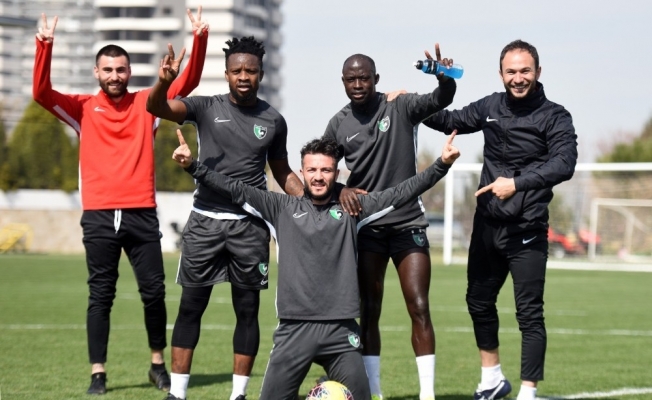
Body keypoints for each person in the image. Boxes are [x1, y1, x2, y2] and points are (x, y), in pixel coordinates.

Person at [171, 130, 461, 400]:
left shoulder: (352, 209)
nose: (318, 177)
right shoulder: (280, 208)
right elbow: (233, 188)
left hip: (341, 332)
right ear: (302, 172)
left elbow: (401, 192)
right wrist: (193, 166)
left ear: (336, 173)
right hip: (293, 331)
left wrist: (442, 164)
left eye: (326, 170)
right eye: (312, 170)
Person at [32, 9, 209, 395]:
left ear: (130, 72)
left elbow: (188, 82)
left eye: (121, 69)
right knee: (101, 295)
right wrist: (44, 45)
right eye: (108, 70)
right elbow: (41, 94)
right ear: (97, 72)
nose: (115, 75)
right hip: (98, 216)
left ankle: (157, 365)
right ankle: (98, 373)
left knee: (154, 293)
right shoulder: (81, 108)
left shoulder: (148, 104)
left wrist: (199, 38)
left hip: (141, 213)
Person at [146, 36, 304, 400]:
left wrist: (310, 200)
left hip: (251, 226)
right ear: (227, 73)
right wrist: (164, 82)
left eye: (251, 70)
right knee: (190, 307)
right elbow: (156, 107)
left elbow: (282, 172)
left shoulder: (273, 120)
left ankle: (239, 395)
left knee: (247, 310)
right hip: (205, 222)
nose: (243, 76)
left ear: (261, 73)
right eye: (237, 71)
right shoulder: (205, 106)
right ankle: (177, 393)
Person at [422, 39, 578, 400]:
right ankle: (492, 379)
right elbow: (446, 119)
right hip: (487, 226)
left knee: (529, 314)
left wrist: (517, 184)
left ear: (538, 72)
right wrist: (418, 97)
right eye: (511, 72)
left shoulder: (556, 116)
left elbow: (564, 163)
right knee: (478, 301)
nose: (518, 78)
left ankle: (528, 393)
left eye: (525, 71)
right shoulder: (490, 106)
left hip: (528, 229)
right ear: (501, 74)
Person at [322, 44, 456, 400]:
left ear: (376, 78)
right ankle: (374, 392)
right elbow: (319, 170)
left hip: (408, 223)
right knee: (369, 311)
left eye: (364, 78)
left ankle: (427, 394)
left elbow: (442, 98)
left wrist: (444, 78)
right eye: (351, 79)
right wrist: (340, 190)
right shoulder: (338, 123)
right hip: (367, 228)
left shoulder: (400, 105)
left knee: (419, 306)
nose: (357, 85)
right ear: (343, 82)